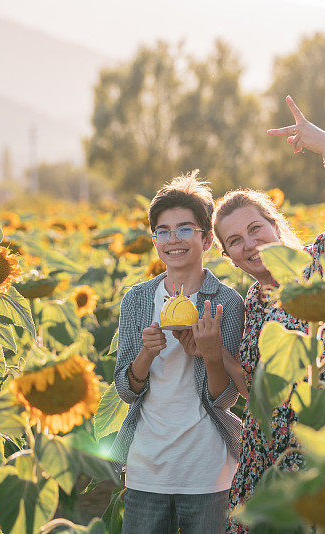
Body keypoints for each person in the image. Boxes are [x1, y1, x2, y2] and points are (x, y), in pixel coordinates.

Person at [212, 96, 325, 532]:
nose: (249, 244)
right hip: (271, 455)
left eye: (255, 229)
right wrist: (217, 354)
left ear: (275, 225)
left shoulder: (317, 263)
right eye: (235, 241)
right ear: (229, 257)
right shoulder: (249, 303)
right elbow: (255, 389)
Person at [112, 173, 246, 534]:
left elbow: (226, 399)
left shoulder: (227, 303)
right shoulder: (137, 300)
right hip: (146, 467)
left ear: (206, 237)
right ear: (154, 238)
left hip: (206, 469)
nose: (173, 240)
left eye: (185, 229)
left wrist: (210, 355)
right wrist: (146, 353)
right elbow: (126, 390)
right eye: (163, 231)